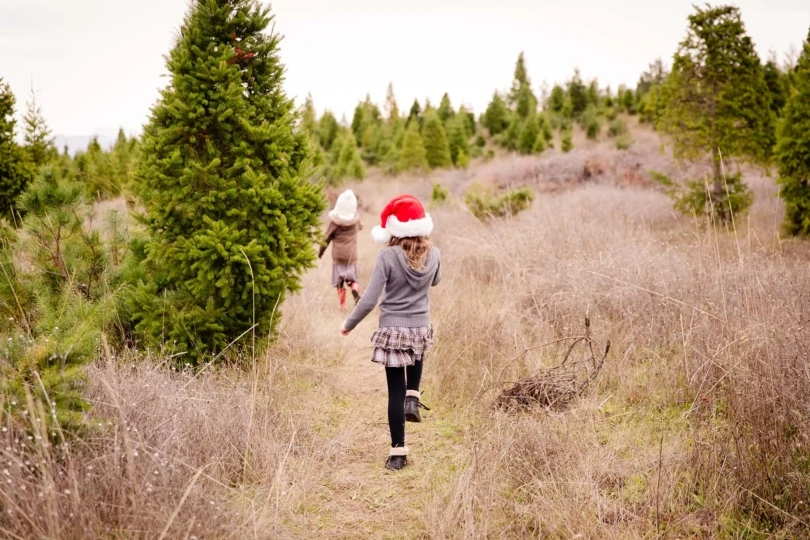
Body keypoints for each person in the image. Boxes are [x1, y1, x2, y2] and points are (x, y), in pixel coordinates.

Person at [341, 194, 441, 471]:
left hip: (393, 330)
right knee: (416, 358)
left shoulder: (387, 256)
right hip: (420, 326)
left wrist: (348, 323)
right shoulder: (435, 253)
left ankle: (399, 453)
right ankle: (414, 397)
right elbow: (436, 280)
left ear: (393, 228)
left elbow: (370, 299)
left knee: (392, 393)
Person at [319, 189, 363, 309]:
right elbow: (361, 227)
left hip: (338, 256)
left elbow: (326, 238)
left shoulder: (335, 222)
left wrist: (320, 252)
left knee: (339, 282)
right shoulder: (356, 220)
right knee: (352, 279)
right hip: (351, 256)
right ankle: (355, 288)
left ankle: (342, 305)